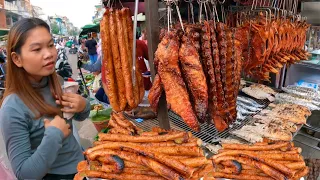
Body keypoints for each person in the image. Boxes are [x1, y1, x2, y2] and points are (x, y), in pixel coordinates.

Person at [0, 18, 90, 180]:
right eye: (36, 49)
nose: (49, 54)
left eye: (50, 45)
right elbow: (24, 174)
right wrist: (54, 135)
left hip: (80, 168)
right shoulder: (12, 108)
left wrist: (83, 106)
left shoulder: (57, 81)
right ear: (16, 59)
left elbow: (78, 116)